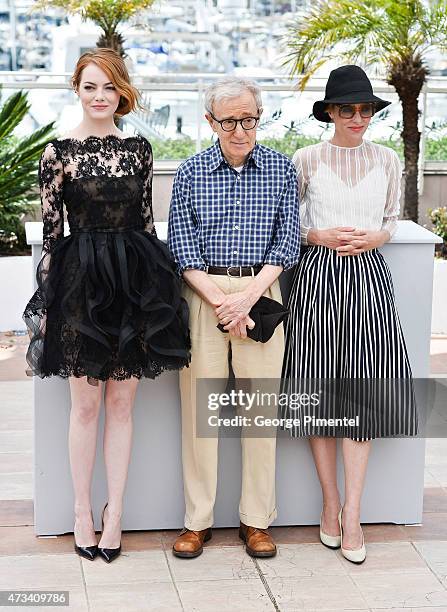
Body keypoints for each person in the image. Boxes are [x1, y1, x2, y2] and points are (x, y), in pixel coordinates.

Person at [23, 48, 191, 563]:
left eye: (109, 88)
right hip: (82, 285)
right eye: (90, 86)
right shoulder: (57, 154)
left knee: (123, 405)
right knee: (86, 406)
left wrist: (160, 293)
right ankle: (79, 512)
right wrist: (49, 307)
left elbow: (146, 225)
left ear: (121, 93)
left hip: (134, 283)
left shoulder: (140, 149)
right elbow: (53, 238)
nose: (100, 96)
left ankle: (114, 512)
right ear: (76, 88)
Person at [281, 65, 417, 564]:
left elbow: (392, 220)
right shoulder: (305, 158)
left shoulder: (386, 160)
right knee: (319, 391)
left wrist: (375, 238)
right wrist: (316, 235)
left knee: (364, 393)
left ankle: (355, 515)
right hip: (315, 278)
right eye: (346, 109)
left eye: (365, 109)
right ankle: (330, 504)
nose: (357, 117)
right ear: (330, 113)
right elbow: (288, 222)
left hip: (369, 280)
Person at [167, 76, 300, 559]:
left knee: (259, 414)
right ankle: (197, 521)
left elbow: (287, 243)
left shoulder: (283, 171)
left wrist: (246, 299)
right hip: (204, 294)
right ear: (211, 122)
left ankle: (256, 521)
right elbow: (181, 248)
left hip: (261, 291)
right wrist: (224, 302)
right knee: (199, 416)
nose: (240, 130)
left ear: (259, 118)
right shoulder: (191, 172)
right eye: (229, 121)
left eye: (248, 119)